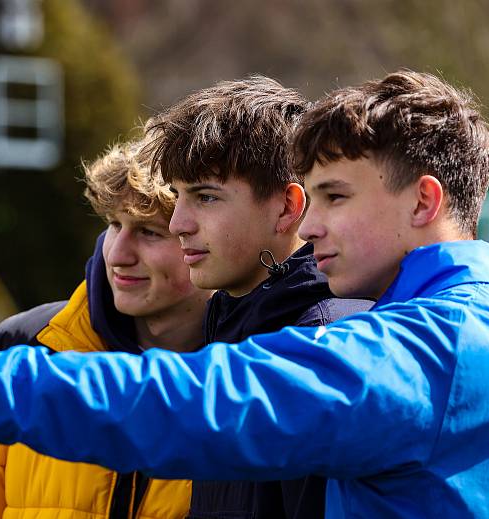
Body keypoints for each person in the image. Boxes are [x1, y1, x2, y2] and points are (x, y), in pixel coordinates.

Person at [0, 70, 489, 518]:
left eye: (335, 197)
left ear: (423, 201)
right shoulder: (459, 327)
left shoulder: (424, 350)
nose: (315, 225)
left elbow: (183, 405)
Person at [0, 140, 215, 518]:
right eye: (114, 225)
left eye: (149, 232)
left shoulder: (253, 384)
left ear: (204, 240)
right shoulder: (13, 351)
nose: (117, 254)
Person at [142, 76, 371, 519]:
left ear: (287, 207)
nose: (178, 224)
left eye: (206, 197)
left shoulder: (325, 347)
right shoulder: (232, 323)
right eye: (177, 196)